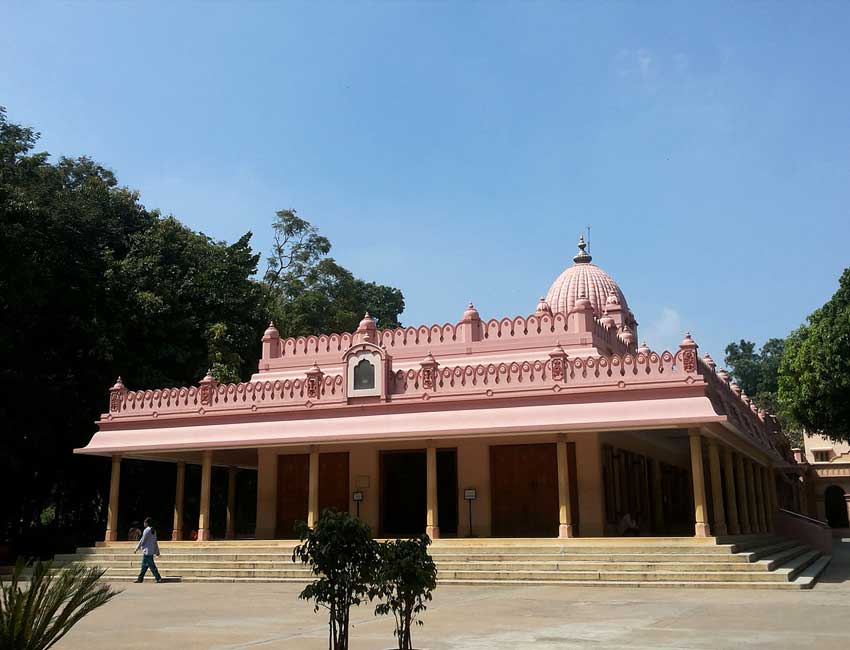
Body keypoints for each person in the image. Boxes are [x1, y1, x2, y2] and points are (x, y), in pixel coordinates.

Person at [133, 517, 162, 583]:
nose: (144, 524)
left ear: (146, 523)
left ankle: (158, 578)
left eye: (144, 522)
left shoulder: (146, 530)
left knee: (152, 566)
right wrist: (157, 551)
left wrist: (137, 548)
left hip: (147, 551)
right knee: (144, 566)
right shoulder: (153, 530)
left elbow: (142, 540)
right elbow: (155, 541)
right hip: (150, 550)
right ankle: (140, 579)